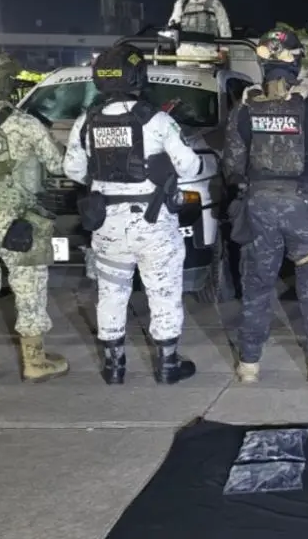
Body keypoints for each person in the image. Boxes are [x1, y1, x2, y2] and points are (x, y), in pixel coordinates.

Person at [63, 44, 201, 385]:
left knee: (111, 293)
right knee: (163, 291)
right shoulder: (156, 120)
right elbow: (190, 166)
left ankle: (114, 367)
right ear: (138, 76)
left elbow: (73, 171)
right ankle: (168, 365)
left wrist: (104, 178)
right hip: (153, 223)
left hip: (107, 222)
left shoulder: (86, 121)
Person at [223, 30, 308, 384]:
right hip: (304, 208)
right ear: (297, 60)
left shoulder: (245, 107)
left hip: (259, 206)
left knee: (257, 287)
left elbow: (232, 164)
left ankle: (249, 365)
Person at [0, 49, 68, 383]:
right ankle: (35, 361)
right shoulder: (25, 124)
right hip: (21, 222)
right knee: (29, 288)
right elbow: (58, 165)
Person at [167, 0, 232, 68]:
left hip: (207, 51)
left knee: (207, 76)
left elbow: (224, 26)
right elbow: (173, 22)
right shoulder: (182, 2)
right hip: (186, 51)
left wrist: (224, 50)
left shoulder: (215, 3)